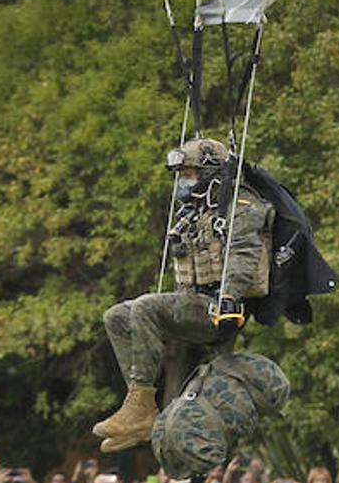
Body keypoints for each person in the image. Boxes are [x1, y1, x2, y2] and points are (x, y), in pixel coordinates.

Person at [93, 137, 274, 453]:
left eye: (188, 172)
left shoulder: (241, 206)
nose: (183, 180)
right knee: (117, 316)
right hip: (193, 302)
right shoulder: (192, 213)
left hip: (220, 309)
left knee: (145, 307)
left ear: (209, 172)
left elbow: (244, 254)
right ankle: (141, 407)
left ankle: (141, 408)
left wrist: (229, 297)